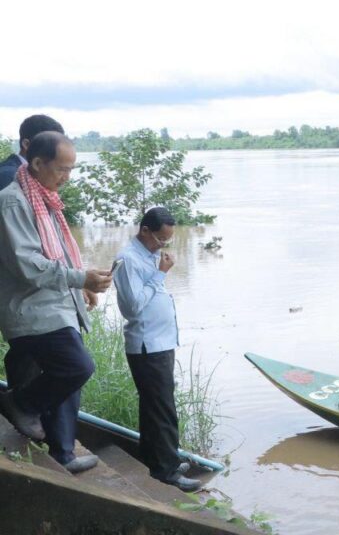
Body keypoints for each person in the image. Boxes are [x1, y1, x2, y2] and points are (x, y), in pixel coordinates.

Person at [0, 131, 113, 473]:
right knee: (77, 366)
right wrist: (80, 278)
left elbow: (59, 251)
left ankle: (63, 454)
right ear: (36, 163)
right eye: (62, 169)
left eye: (71, 169)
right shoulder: (14, 201)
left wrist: (81, 283)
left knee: (69, 379)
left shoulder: (43, 197)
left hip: (56, 305)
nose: (67, 177)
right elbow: (28, 264)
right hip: (32, 309)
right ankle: (19, 403)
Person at [113, 207, 199, 492]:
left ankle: (156, 459)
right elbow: (132, 307)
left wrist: (158, 268)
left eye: (167, 241)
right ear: (145, 230)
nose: (163, 245)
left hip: (160, 343)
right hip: (147, 345)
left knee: (154, 407)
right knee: (163, 409)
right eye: (160, 239)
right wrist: (161, 274)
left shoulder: (149, 255)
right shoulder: (128, 259)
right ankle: (168, 471)